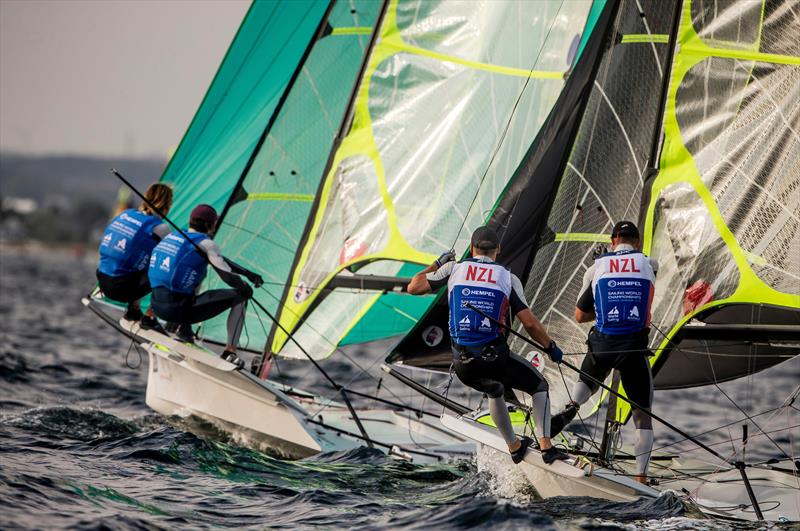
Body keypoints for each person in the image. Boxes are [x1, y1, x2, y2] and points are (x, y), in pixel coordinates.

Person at [407, 226, 568, 465]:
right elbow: (530, 324)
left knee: (494, 390)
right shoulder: (507, 277)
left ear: (472, 249)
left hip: (464, 366)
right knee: (538, 385)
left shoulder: (453, 269)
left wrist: (436, 264)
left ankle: (514, 447)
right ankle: (546, 447)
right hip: (496, 359)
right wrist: (550, 347)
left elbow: (413, 287)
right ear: (498, 250)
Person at [551, 220, 658, 484]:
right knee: (642, 415)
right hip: (633, 349)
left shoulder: (596, 267)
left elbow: (579, 315)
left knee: (584, 387)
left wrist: (601, 266)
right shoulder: (650, 263)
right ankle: (641, 477)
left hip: (603, 346)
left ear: (612, 240)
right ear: (638, 242)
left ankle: (569, 410)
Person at [148, 204, 263, 368]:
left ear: (190, 221)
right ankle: (230, 352)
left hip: (157, 307)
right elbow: (227, 276)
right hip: (179, 310)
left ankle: (180, 329)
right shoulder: (207, 244)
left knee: (187, 272)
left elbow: (219, 260)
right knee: (240, 296)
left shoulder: (173, 237)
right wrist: (244, 286)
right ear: (210, 225)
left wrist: (248, 274)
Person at [96, 183, 173, 332]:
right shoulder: (161, 228)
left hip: (102, 281)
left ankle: (134, 310)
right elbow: (173, 257)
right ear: (167, 205)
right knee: (168, 266)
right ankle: (150, 317)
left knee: (137, 258)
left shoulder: (125, 214)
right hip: (123, 288)